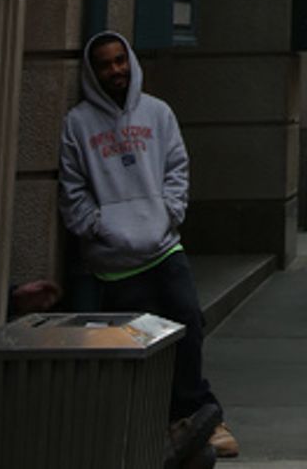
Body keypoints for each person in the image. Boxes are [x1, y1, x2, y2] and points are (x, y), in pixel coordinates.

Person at [58, 32, 239, 460]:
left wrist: (168, 214)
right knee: (141, 341)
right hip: (115, 259)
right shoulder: (78, 124)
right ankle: (167, 422)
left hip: (163, 247)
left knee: (189, 322)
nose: (116, 70)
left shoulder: (158, 113)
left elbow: (177, 166)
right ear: (93, 71)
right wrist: (99, 227)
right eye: (106, 64)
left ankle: (199, 415)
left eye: (121, 60)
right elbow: (72, 189)